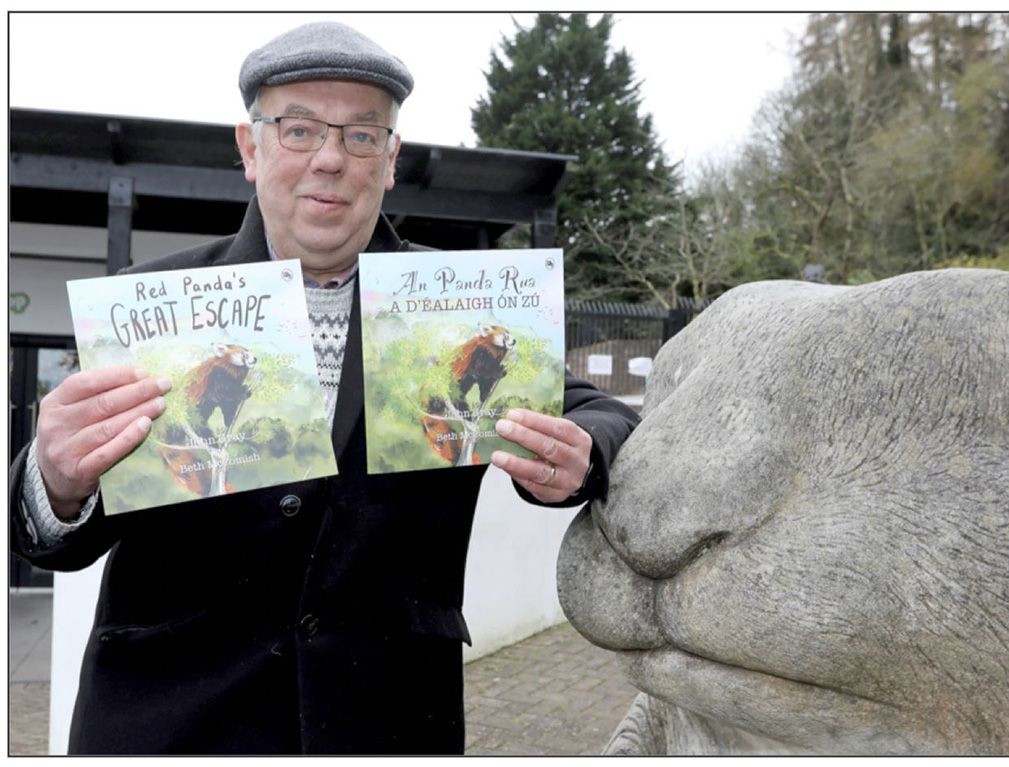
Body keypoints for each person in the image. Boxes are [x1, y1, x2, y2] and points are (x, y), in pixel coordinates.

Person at [8, 22, 640, 755]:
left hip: (386, 720)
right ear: (252, 148)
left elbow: (603, 415)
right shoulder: (149, 303)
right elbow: (57, 534)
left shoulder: (459, 308)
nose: (332, 160)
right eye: (300, 129)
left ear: (391, 159)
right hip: (168, 724)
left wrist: (583, 451)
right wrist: (53, 482)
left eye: (363, 135)